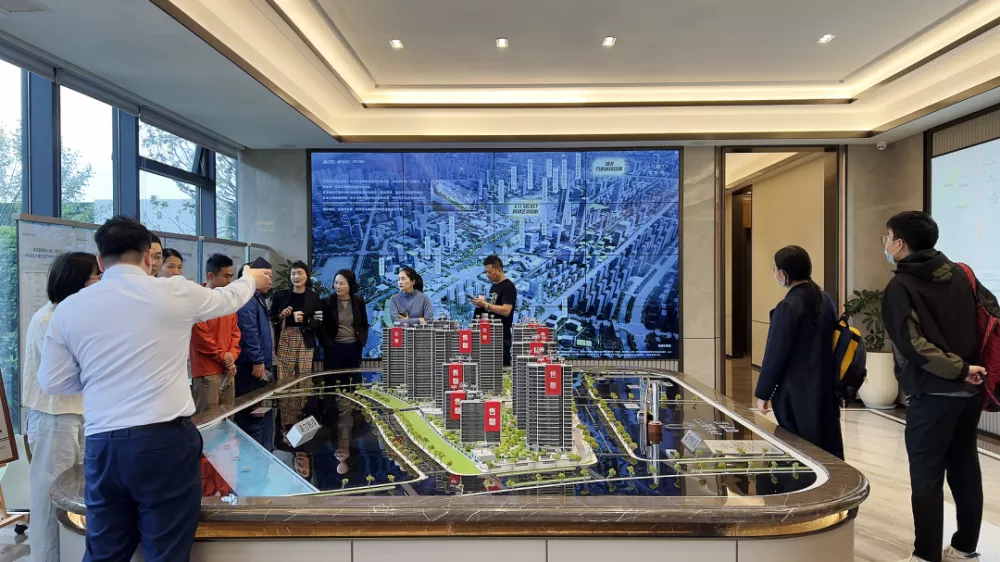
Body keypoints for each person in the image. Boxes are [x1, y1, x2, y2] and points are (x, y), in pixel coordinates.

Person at [36, 216, 270, 562]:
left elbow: (52, 381)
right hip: (164, 444)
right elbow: (228, 298)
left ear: (101, 260)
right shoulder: (174, 291)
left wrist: (100, 377)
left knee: (104, 552)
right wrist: (249, 277)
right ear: (148, 257)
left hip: (104, 446)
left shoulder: (70, 308)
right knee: (165, 553)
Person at [881, 211, 995, 562]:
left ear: (900, 244)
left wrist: (958, 370)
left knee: (926, 476)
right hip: (970, 391)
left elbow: (913, 345)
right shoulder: (962, 273)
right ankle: (964, 548)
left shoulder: (900, 287)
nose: (886, 243)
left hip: (932, 394)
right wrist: (969, 370)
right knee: (965, 468)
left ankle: (926, 554)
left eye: (888, 237)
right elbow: (991, 318)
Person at [22, 251, 99, 562]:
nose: (100, 282)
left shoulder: (73, 316)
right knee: (50, 499)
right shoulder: (47, 319)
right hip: (54, 418)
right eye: (96, 277)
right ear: (77, 281)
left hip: (79, 414)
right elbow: (66, 373)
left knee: (76, 496)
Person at [754, 246, 844, 460]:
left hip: (795, 392)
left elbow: (775, 354)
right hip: (825, 387)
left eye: (776, 269)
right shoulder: (825, 299)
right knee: (825, 445)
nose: (775, 273)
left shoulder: (788, 306)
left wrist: (763, 393)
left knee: (799, 448)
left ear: (784, 274)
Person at [271, 261, 322, 431]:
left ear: (307, 276)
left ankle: (302, 418)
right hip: (286, 337)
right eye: (293, 273)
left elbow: (319, 321)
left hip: (306, 339)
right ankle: (286, 421)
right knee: (284, 378)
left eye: (300, 273)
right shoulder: (280, 295)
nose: (296, 277)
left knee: (304, 378)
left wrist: (305, 319)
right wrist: (281, 315)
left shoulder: (314, 297)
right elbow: (272, 317)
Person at [190, 254, 241, 415]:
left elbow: (235, 333)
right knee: (208, 420)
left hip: (228, 369)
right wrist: (224, 357)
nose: (230, 281)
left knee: (229, 418)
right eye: (226, 276)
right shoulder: (198, 301)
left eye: (231, 276)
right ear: (211, 275)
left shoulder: (227, 301)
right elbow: (201, 338)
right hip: (207, 371)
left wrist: (232, 355)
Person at [234, 257, 277, 451]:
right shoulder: (246, 299)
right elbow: (249, 331)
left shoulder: (257, 297)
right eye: (266, 275)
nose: (270, 281)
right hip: (250, 365)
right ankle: (252, 456)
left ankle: (261, 452)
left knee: (258, 413)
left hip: (259, 362)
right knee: (251, 416)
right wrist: (258, 360)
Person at [321, 269, 369, 381]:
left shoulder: (358, 301)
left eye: (342, 283)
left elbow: (364, 323)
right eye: (336, 283)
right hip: (334, 348)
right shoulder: (327, 302)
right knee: (332, 381)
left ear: (350, 285)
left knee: (352, 381)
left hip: (354, 347)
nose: (338, 286)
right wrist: (327, 343)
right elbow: (321, 326)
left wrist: (361, 341)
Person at [470, 255, 517, 366]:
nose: (487, 275)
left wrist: (485, 304)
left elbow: (506, 310)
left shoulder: (508, 286)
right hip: (490, 334)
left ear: (499, 269)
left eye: (490, 272)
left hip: (501, 336)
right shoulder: (494, 287)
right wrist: (481, 305)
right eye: (486, 272)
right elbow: (492, 308)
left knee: (502, 369)